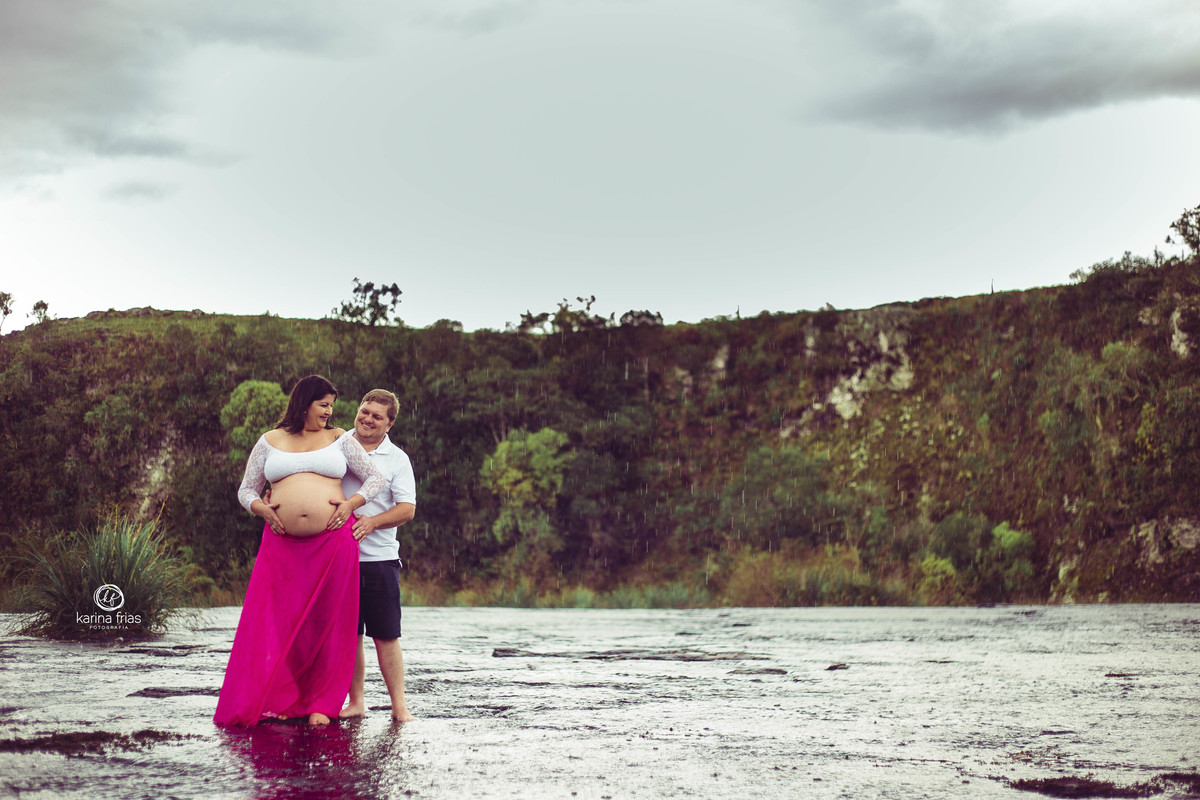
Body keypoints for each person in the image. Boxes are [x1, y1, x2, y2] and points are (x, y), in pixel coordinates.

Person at [214, 375, 385, 727]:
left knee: (329, 622)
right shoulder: (270, 441)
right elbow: (247, 490)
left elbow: (375, 478)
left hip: (333, 544)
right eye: (323, 404)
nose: (329, 411)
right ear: (305, 403)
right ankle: (280, 698)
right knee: (279, 620)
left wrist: (351, 502)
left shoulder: (339, 438)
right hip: (281, 546)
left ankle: (322, 703)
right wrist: (261, 509)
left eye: (331, 405)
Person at [336, 389, 418, 722]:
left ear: (390, 424)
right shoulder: (336, 446)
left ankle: (400, 707)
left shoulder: (397, 459)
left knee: (386, 634)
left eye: (377, 416)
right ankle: (356, 702)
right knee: (349, 634)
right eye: (364, 411)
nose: (367, 419)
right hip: (337, 559)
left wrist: (372, 522)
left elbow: (408, 509)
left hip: (380, 559)